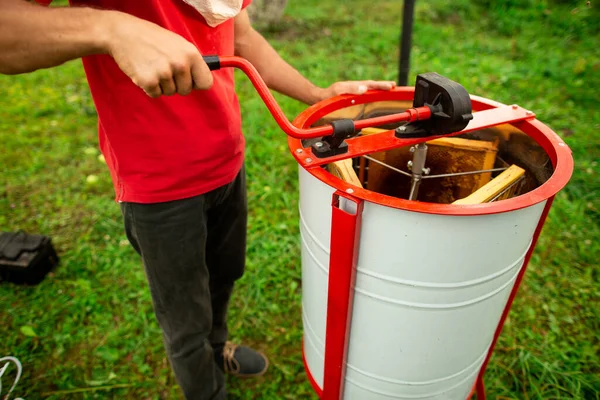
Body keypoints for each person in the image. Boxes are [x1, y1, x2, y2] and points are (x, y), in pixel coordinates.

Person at [0, 1, 396, 398]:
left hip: (226, 162)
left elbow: (241, 37)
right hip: (159, 186)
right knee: (185, 320)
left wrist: (316, 95)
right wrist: (110, 28)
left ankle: (216, 346)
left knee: (224, 274)